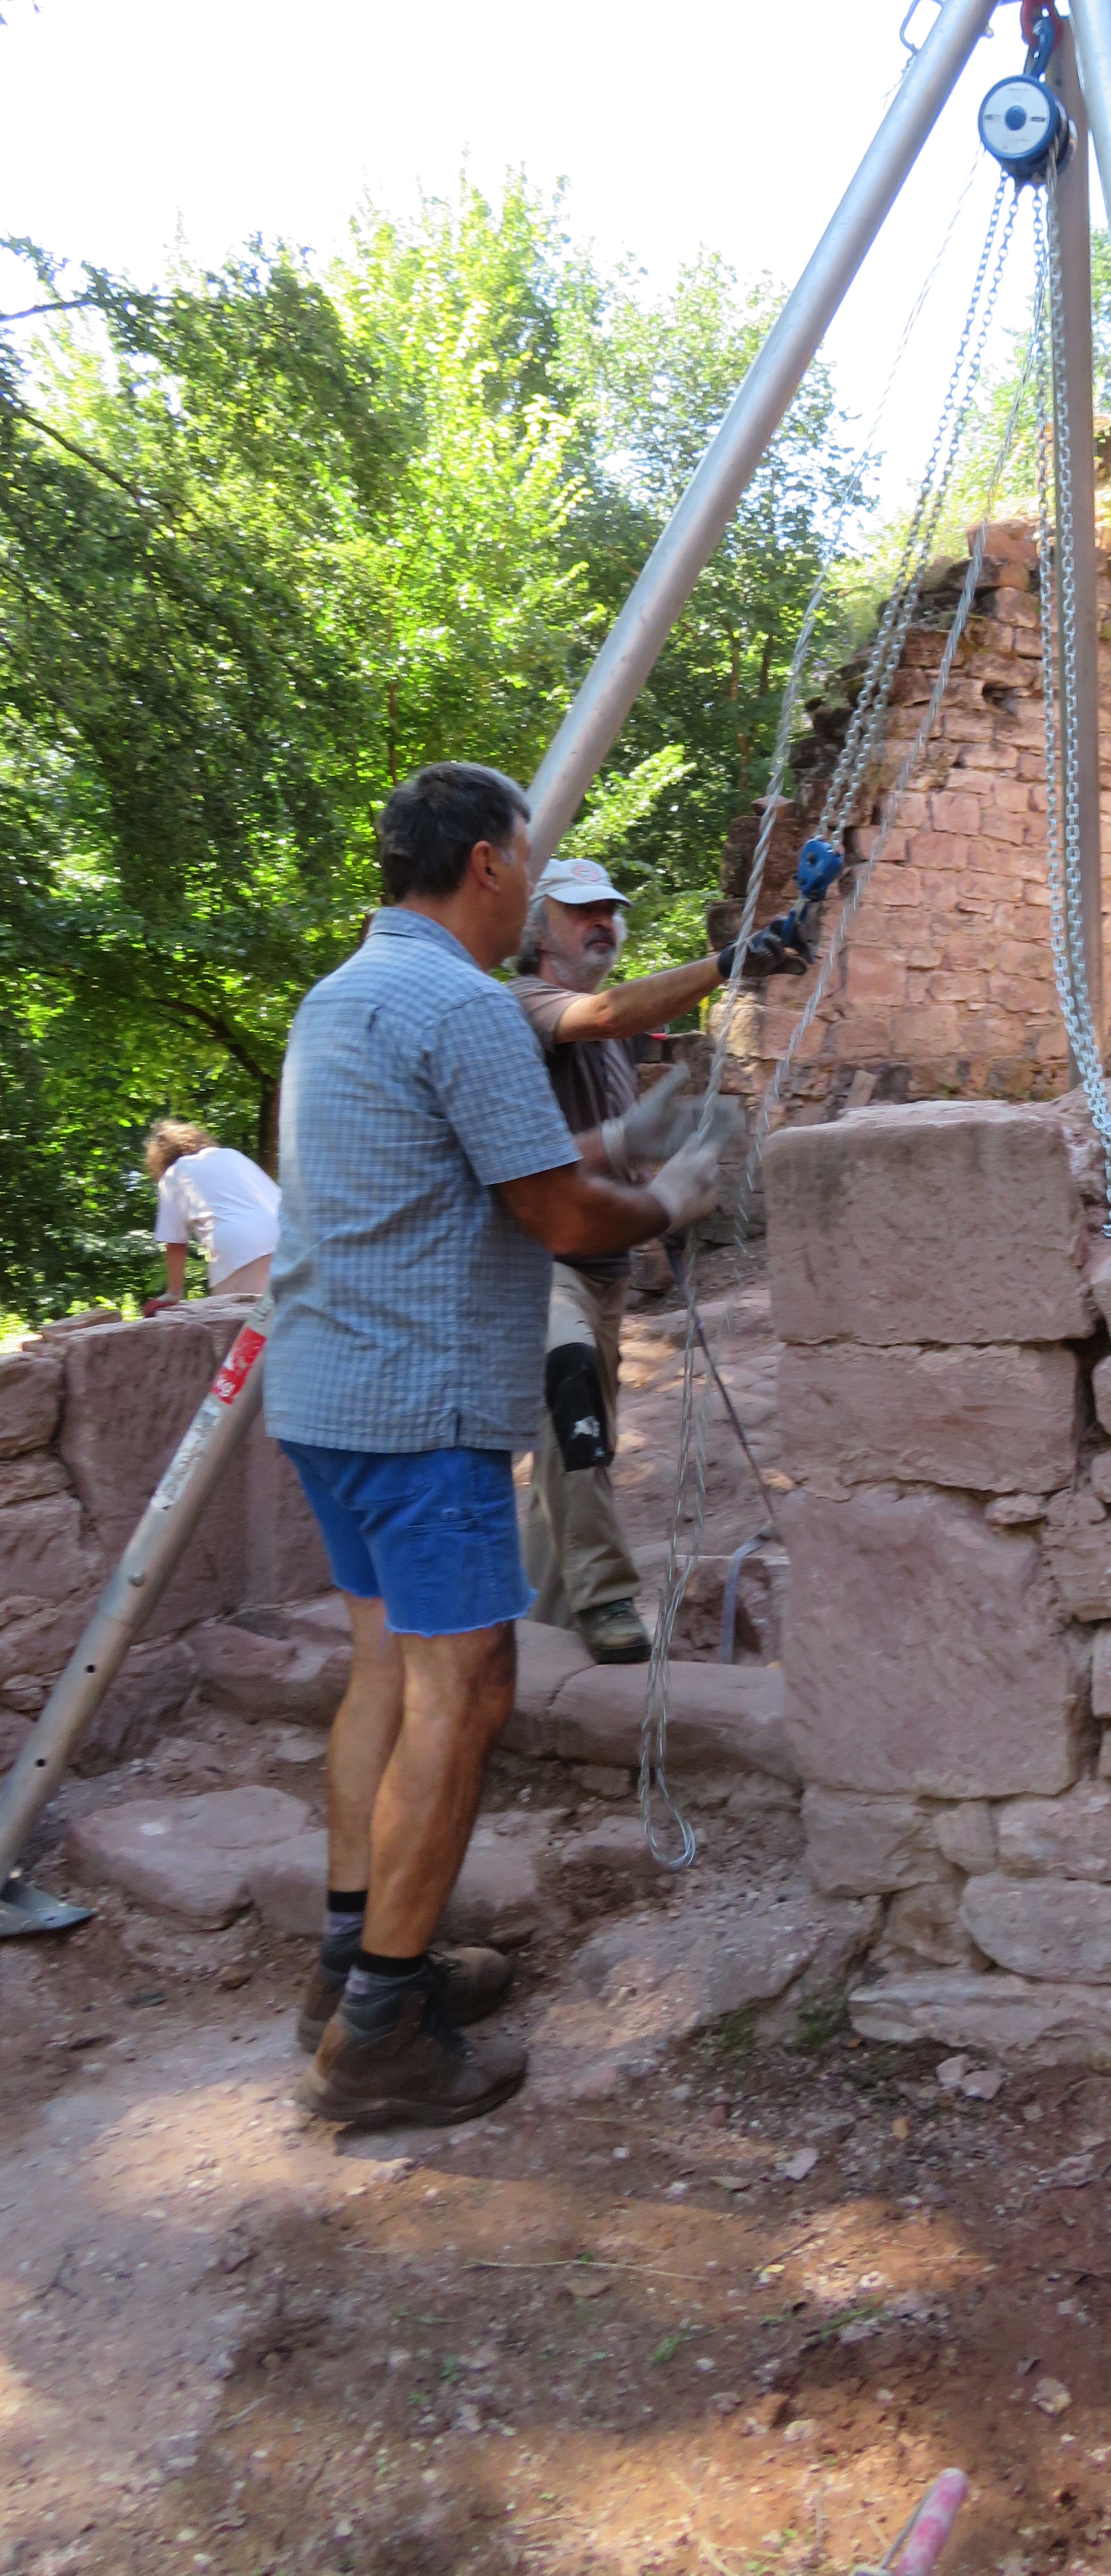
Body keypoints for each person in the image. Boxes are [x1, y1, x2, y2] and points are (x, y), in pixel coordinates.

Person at [265, 761, 728, 2132]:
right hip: (421, 1413)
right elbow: (562, 1215)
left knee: (383, 1673)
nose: (533, 885)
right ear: (485, 863)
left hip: (328, 1395)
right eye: (528, 858)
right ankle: (381, 2039)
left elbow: (450, 1162)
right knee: (464, 1692)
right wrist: (673, 1192)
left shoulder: (342, 994)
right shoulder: (465, 1004)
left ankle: (353, 1964)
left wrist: (622, 1134)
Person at [509, 853, 737, 1664]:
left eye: (609, 909)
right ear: (540, 931)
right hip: (537, 1264)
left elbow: (609, 1147)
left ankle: (539, 1638)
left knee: (570, 1459)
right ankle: (606, 1599)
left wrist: (660, 1185)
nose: (601, 921)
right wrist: (730, 963)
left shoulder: (607, 1045)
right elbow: (602, 1018)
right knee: (572, 1401)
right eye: (581, 911)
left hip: (600, 1268)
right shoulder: (526, 1003)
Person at [145, 1121, 282, 1301]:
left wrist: (174, 1293)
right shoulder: (232, 1155)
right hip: (290, 1234)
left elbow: (176, 1244)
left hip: (240, 1249)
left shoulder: (175, 1174)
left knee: (243, 1315)